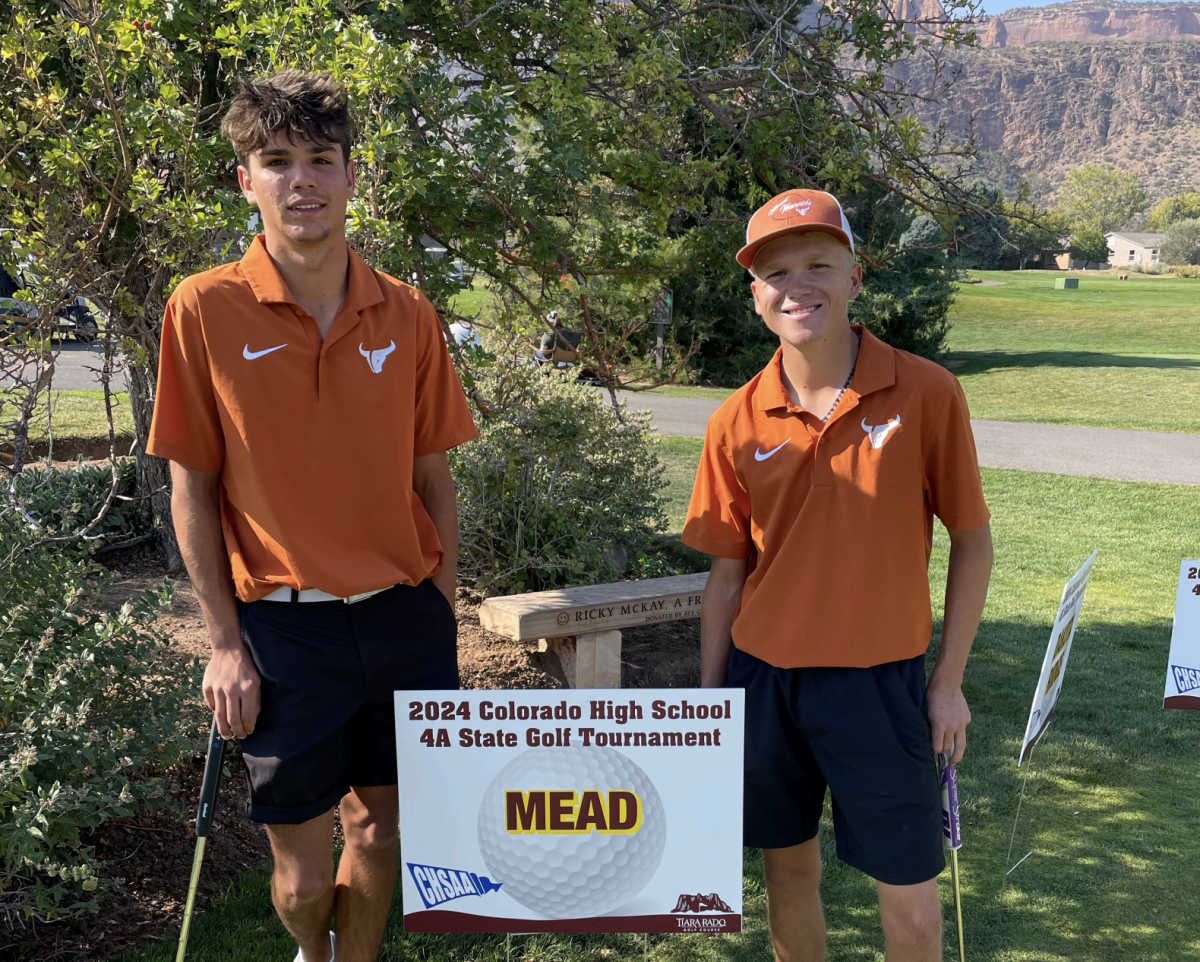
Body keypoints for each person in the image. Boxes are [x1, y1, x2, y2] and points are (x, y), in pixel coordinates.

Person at [146, 71, 477, 962]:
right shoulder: (203, 308)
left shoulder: (405, 311)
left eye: (320, 160)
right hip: (282, 633)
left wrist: (438, 606)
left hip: (404, 615)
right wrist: (223, 642)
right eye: (277, 160)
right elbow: (193, 491)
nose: (302, 180)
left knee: (377, 833)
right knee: (298, 873)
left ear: (350, 177)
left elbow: (434, 480)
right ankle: (313, 948)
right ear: (245, 181)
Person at [682, 189, 993, 961]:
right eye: (777, 271)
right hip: (766, 682)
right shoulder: (734, 419)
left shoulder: (924, 392)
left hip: (880, 686)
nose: (799, 285)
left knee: (913, 907)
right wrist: (715, 705)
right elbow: (727, 578)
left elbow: (973, 541)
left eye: (819, 263)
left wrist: (947, 682)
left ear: (856, 276)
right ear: (756, 295)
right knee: (788, 876)